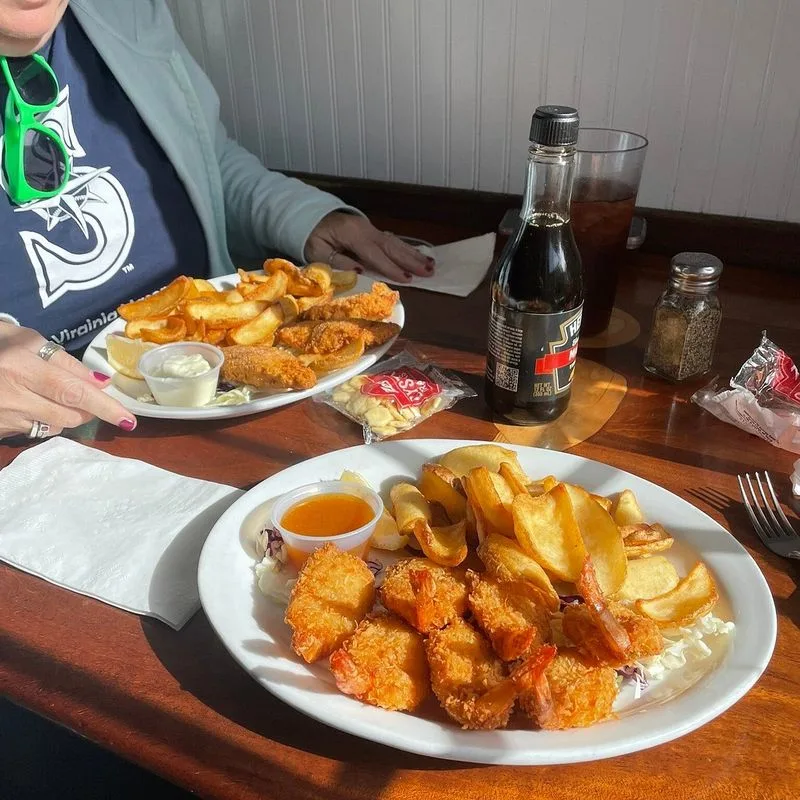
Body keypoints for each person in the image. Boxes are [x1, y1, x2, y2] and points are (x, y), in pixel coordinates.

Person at [0, 0, 433, 441]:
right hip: (41, 438)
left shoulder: (124, 11)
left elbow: (210, 161)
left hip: (224, 394)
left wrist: (307, 217)